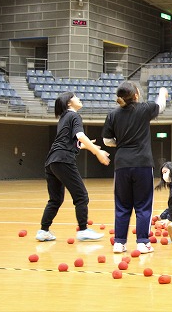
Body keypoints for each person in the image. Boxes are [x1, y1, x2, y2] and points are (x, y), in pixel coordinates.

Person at [103, 82, 168, 255]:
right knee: (143, 205)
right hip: (142, 164)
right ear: (136, 95)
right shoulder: (144, 109)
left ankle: (119, 242)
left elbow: (107, 141)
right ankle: (142, 242)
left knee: (122, 205)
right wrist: (162, 91)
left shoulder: (112, 115)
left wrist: (123, 144)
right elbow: (160, 105)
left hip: (122, 164)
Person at [36, 92, 110, 242]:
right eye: (76, 97)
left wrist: (87, 145)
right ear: (69, 103)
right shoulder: (74, 116)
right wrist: (97, 152)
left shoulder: (63, 118)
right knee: (81, 196)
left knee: (55, 199)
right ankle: (83, 230)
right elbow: (80, 136)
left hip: (51, 161)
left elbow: (72, 142)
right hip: (63, 160)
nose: (79, 99)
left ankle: (43, 231)